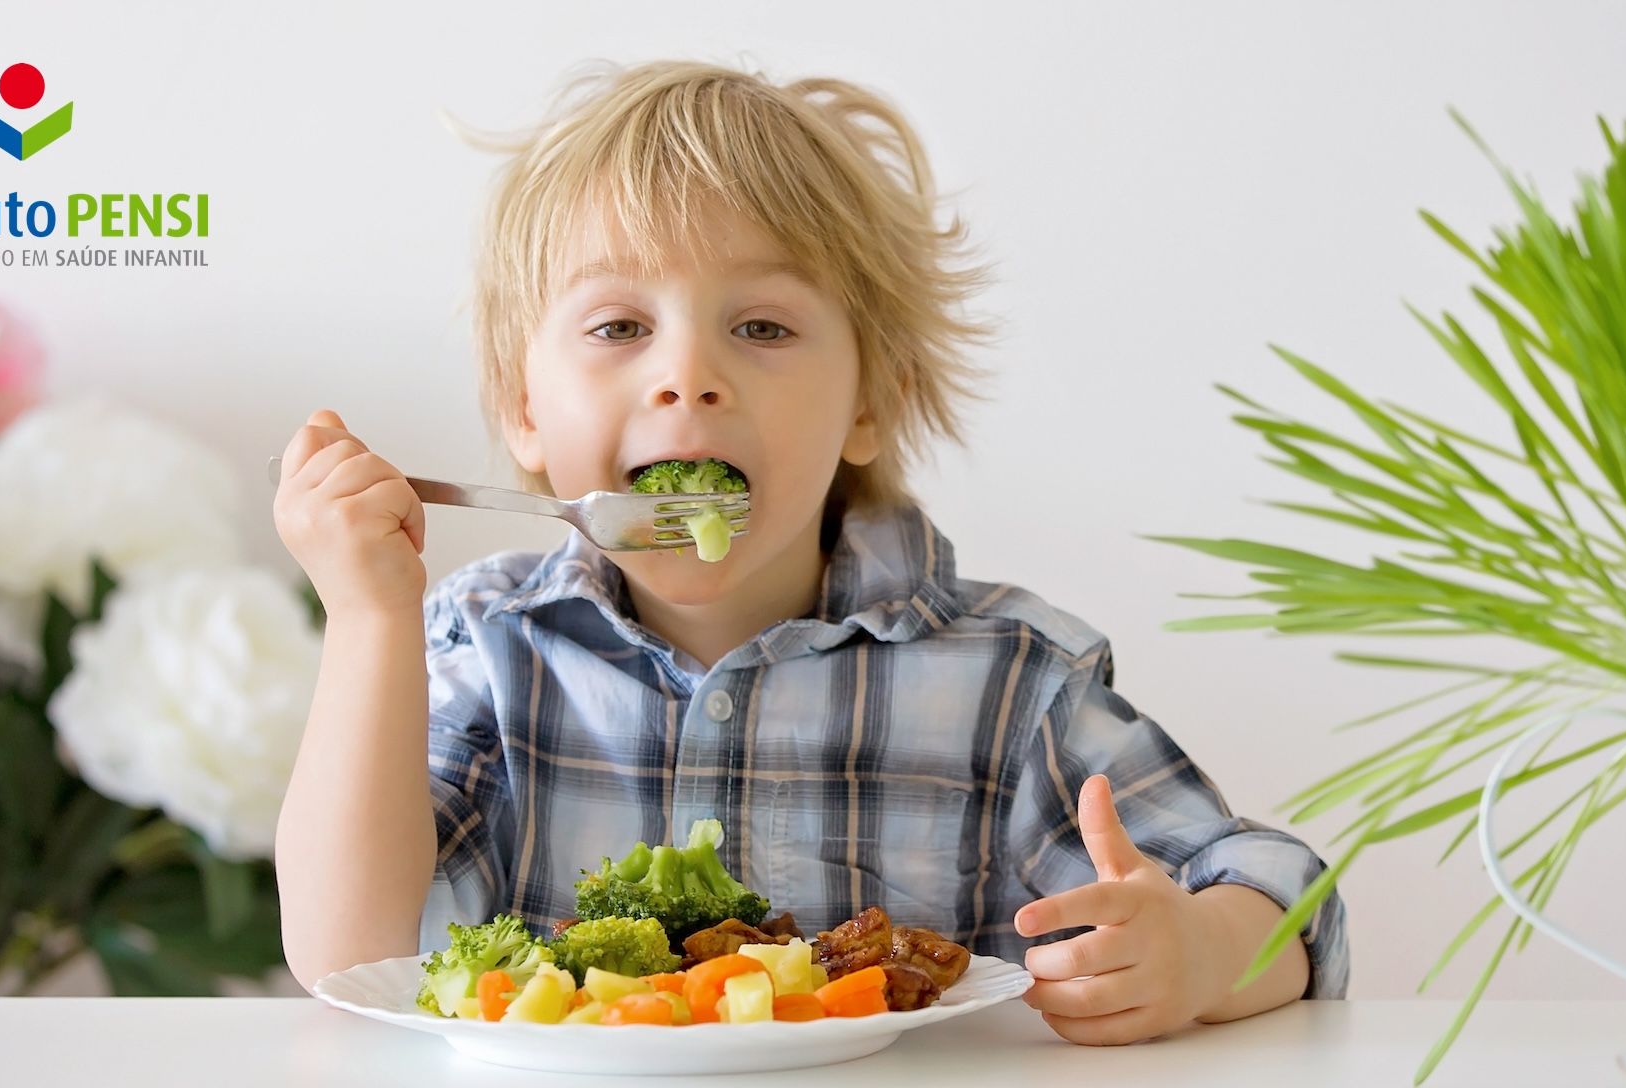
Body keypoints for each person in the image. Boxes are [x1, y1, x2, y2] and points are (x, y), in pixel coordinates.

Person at [272, 59, 1346, 1044]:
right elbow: (348, 954)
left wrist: (1197, 955)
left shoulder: (1006, 679)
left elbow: (1282, 891)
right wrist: (368, 616)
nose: (686, 374)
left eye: (762, 328)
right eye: (616, 327)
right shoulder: (491, 645)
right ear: (522, 408)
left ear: (866, 401)